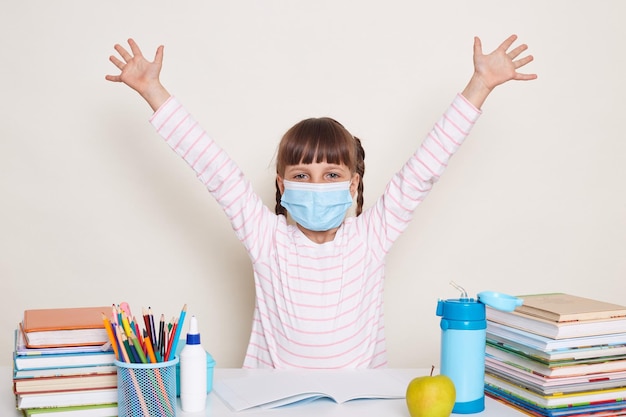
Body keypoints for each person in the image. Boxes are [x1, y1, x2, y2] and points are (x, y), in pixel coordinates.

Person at [106, 35, 536, 369]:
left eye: (331, 175)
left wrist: (479, 85)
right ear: (281, 186)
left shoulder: (371, 236)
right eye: (301, 176)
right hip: (270, 400)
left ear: (353, 185)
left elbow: (423, 170)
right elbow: (213, 168)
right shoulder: (265, 237)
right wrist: (153, 91)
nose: (315, 186)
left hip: (360, 400)